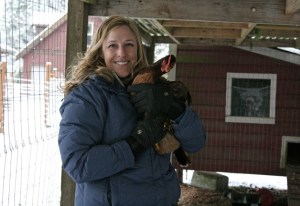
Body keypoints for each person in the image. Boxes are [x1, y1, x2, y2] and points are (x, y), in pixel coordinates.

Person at [58, 16, 206, 206]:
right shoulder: (86, 97)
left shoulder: (157, 88)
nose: (122, 53)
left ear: (138, 49)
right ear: (100, 51)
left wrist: (174, 108)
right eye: (112, 45)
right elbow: (78, 164)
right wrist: (136, 142)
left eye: (129, 44)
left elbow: (196, 142)